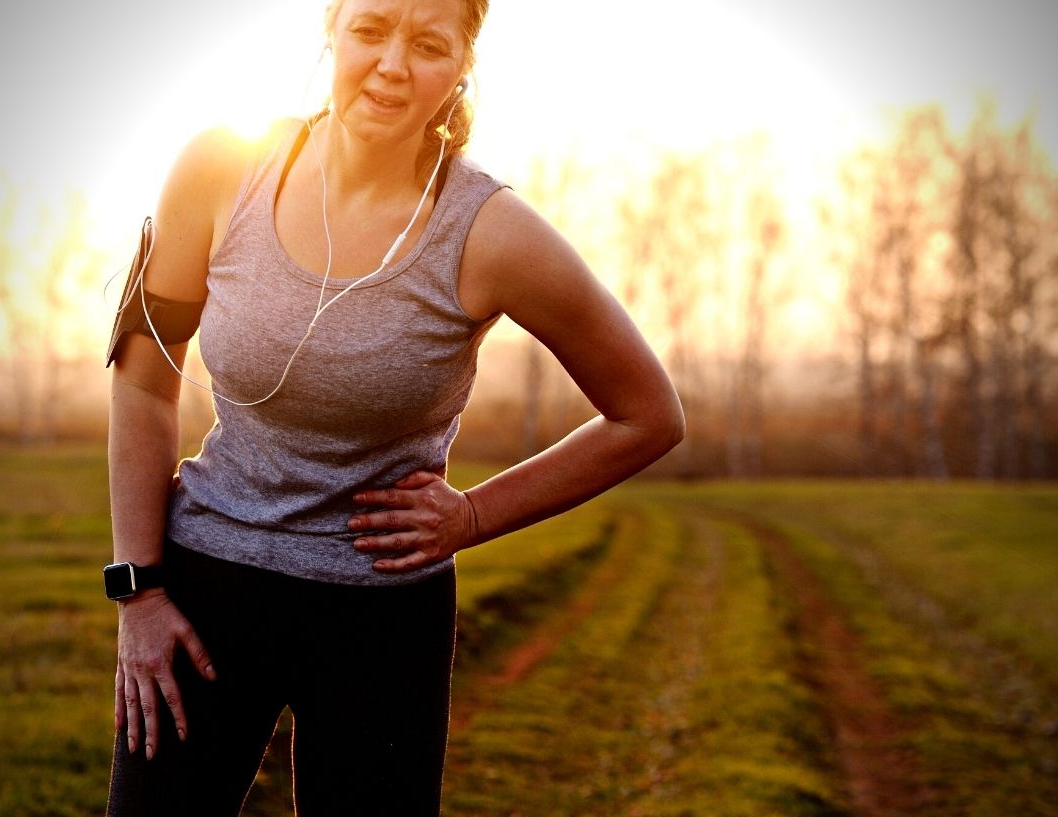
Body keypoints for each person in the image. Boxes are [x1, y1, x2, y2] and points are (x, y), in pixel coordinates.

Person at [102, 0, 684, 813]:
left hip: (382, 616)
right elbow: (141, 378)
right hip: (203, 602)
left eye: (428, 45)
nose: (392, 65)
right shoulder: (218, 170)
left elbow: (648, 413)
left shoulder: (489, 232)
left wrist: (473, 516)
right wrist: (141, 591)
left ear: (461, 67)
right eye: (371, 29)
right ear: (331, 31)